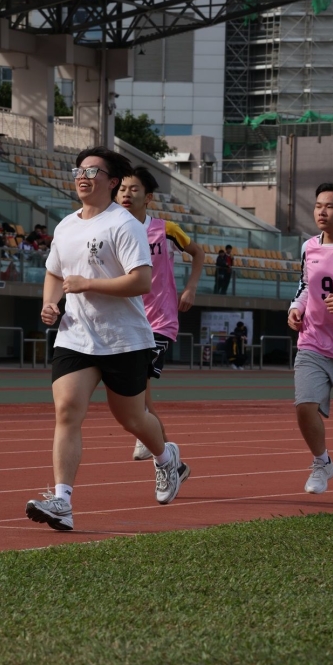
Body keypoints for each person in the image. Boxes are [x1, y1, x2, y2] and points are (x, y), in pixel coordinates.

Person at [25, 146, 191, 531]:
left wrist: (88, 284)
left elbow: (141, 281)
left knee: (132, 418)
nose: (82, 177)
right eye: (78, 171)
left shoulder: (124, 224)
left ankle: (167, 458)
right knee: (67, 410)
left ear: (112, 181)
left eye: (92, 172)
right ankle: (62, 501)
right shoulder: (66, 226)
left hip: (124, 339)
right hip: (75, 336)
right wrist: (50, 303)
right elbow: (54, 273)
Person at [117, 166, 204, 462]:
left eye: (134, 189)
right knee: (137, 390)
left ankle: (159, 450)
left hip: (160, 321)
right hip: (127, 319)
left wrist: (190, 288)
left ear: (148, 197)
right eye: (121, 189)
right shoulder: (112, 231)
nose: (126, 194)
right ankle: (165, 455)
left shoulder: (166, 230)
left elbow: (198, 253)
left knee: (139, 380)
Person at [287, 180, 333, 505]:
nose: (322, 211)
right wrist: (295, 308)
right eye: (318, 206)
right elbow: (305, 286)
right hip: (312, 341)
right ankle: (322, 462)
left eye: (330, 206)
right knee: (304, 407)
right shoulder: (308, 247)